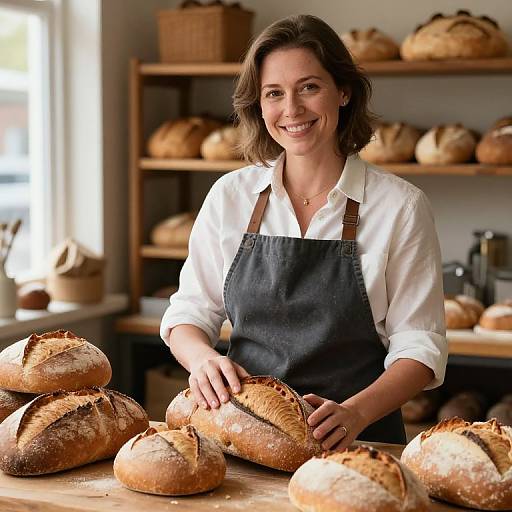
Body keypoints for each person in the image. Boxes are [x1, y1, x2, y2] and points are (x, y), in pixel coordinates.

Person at [160, 14, 447, 449]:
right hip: (246, 436)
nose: (291, 110)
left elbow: (420, 348)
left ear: (344, 91)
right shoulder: (230, 196)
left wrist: (357, 412)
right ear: (258, 105)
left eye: (309, 87)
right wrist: (202, 359)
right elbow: (188, 313)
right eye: (274, 94)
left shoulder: (400, 207)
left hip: (356, 442)